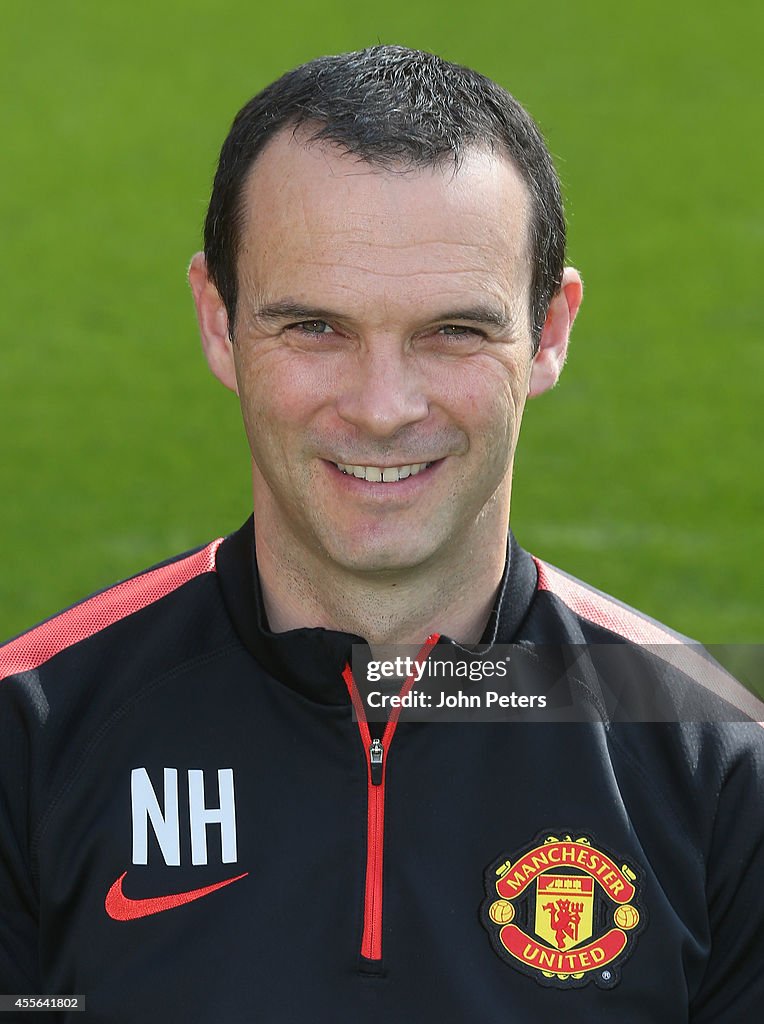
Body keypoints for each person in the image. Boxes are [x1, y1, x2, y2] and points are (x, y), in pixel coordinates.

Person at [0, 45, 762, 1023]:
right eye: (315, 327)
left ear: (550, 332)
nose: (382, 407)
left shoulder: (712, 760)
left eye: (451, 331)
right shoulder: (30, 736)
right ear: (217, 320)